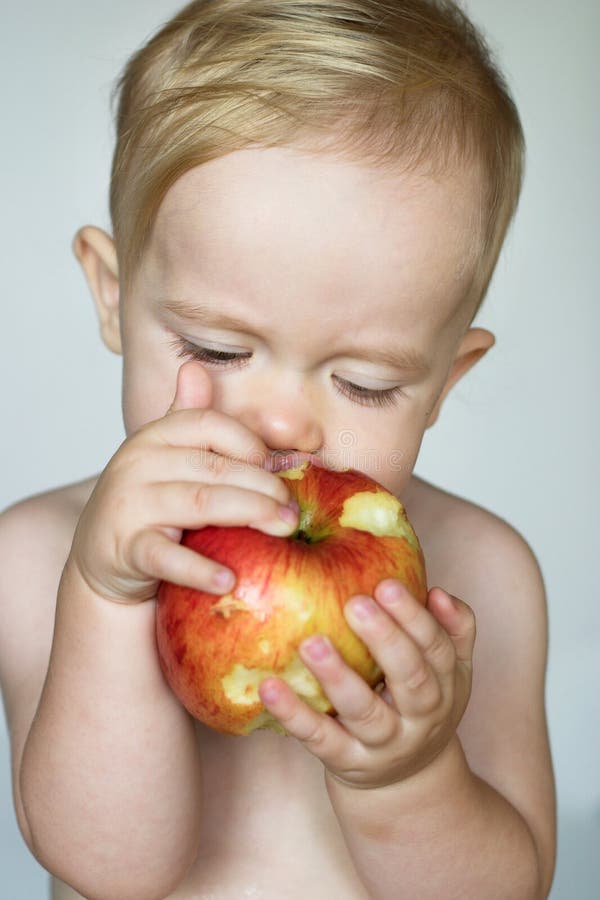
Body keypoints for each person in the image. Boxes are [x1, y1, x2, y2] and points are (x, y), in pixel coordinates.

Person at [0, 1, 557, 897]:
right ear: (112, 296)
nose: (286, 427)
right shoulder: (33, 556)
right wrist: (106, 597)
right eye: (218, 351)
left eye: (366, 382)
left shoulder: (481, 578)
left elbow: (511, 889)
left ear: (446, 381)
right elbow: (107, 868)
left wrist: (409, 778)